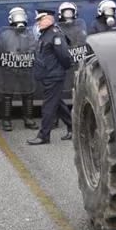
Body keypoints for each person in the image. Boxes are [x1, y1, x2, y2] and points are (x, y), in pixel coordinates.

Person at [27, 8, 73, 145]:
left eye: (40, 20)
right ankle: (73, 127)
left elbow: (64, 56)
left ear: (49, 19)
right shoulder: (45, 34)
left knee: (48, 106)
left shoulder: (55, 34)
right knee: (57, 103)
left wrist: (60, 70)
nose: (38, 23)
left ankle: (43, 136)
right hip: (47, 75)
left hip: (53, 76)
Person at [0, 6, 38, 132]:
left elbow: (33, 47)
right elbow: (1, 50)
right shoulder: (4, 34)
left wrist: (27, 55)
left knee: (28, 94)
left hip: (25, 68)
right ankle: (6, 120)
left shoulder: (29, 33)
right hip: (10, 69)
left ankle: (28, 118)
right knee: (7, 95)